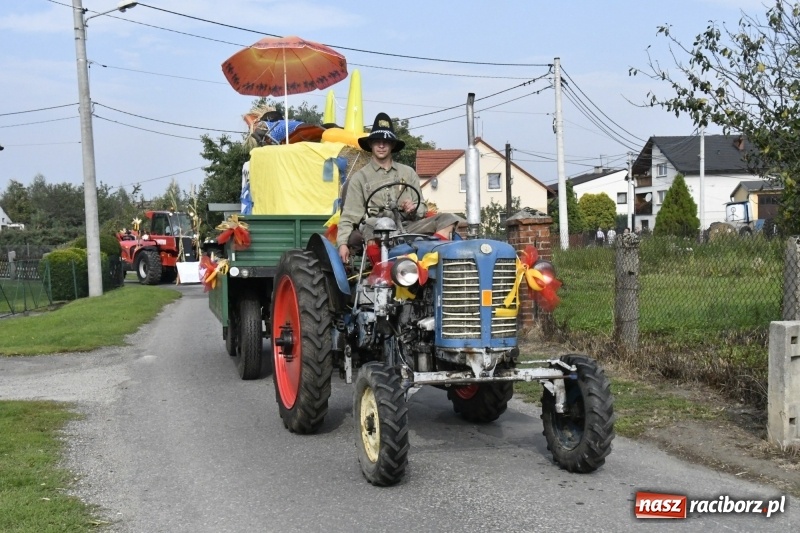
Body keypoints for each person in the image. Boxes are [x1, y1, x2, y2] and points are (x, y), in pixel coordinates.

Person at [337, 112, 462, 263]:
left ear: (393, 145)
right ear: (370, 144)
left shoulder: (408, 173)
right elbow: (349, 215)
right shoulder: (360, 178)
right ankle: (381, 273)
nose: (381, 145)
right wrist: (342, 243)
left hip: (408, 226)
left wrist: (413, 208)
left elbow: (421, 207)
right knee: (375, 225)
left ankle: (431, 263)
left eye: (386, 141)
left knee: (448, 219)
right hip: (377, 228)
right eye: (377, 141)